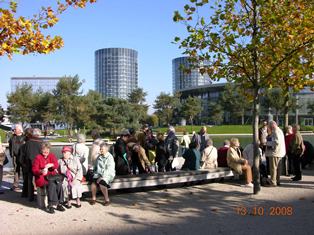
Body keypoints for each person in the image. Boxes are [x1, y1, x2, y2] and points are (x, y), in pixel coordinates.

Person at [32, 142, 65, 214]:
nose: (46, 151)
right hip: (42, 178)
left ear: (49, 150)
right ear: (41, 150)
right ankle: (50, 205)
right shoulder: (38, 157)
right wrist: (41, 171)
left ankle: (59, 203)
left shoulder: (52, 156)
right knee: (52, 185)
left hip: (52, 177)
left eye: (47, 149)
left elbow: (56, 165)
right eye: (44, 149)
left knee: (59, 184)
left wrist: (52, 165)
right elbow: (34, 170)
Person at [19, 128, 43, 201]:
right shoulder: (41, 143)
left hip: (28, 164)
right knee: (39, 179)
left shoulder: (27, 143)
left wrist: (23, 164)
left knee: (29, 180)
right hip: (38, 164)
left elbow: (22, 155)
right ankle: (40, 196)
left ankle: (30, 197)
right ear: (39, 135)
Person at [265, 121, 286, 187]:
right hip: (279, 152)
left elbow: (277, 142)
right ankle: (277, 180)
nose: (269, 128)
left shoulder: (276, 131)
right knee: (278, 168)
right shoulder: (280, 131)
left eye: (269, 127)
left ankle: (273, 182)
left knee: (273, 168)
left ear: (272, 126)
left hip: (275, 153)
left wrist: (267, 143)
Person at [9, 124, 25, 192]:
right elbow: (10, 146)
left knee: (25, 170)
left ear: (20, 130)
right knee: (16, 171)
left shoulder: (25, 137)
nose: (14, 130)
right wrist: (11, 154)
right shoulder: (12, 138)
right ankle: (15, 185)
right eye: (14, 129)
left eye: (15, 129)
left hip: (23, 157)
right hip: (15, 157)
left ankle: (27, 184)